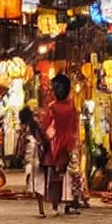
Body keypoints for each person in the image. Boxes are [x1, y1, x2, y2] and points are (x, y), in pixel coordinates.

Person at [42, 74, 79, 215]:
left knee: (55, 176)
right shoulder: (72, 106)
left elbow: (45, 125)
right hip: (71, 141)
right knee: (71, 174)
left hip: (56, 142)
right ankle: (73, 201)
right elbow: (75, 124)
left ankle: (55, 204)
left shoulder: (52, 107)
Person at [20, 107, 46, 217]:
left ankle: (41, 207)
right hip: (37, 157)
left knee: (36, 181)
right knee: (38, 181)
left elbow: (26, 145)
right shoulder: (34, 126)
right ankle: (41, 207)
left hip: (33, 157)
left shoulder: (28, 129)